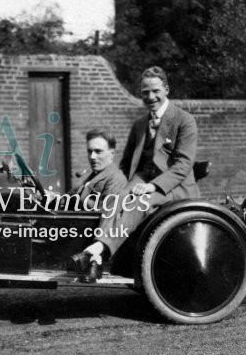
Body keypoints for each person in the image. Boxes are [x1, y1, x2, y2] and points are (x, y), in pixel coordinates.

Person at [73, 66, 200, 281]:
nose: (150, 97)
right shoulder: (139, 124)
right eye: (145, 92)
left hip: (175, 186)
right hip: (142, 177)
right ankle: (97, 256)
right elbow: (125, 164)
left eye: (155, 91)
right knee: (116, 199)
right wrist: (116, 185)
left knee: (139, 203)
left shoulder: (184, 120)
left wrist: (152, 186)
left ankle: (97, 251)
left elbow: (183, 165)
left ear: (166, 90)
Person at [59, 129, 127, 281]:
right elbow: (71, 196)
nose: (92, 157)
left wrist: (81, 197)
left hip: (87, 235)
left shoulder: (116, 179)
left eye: (98, 151)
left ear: (112, 153)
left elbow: (108, 211)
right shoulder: (90, 174)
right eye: (89, 151)